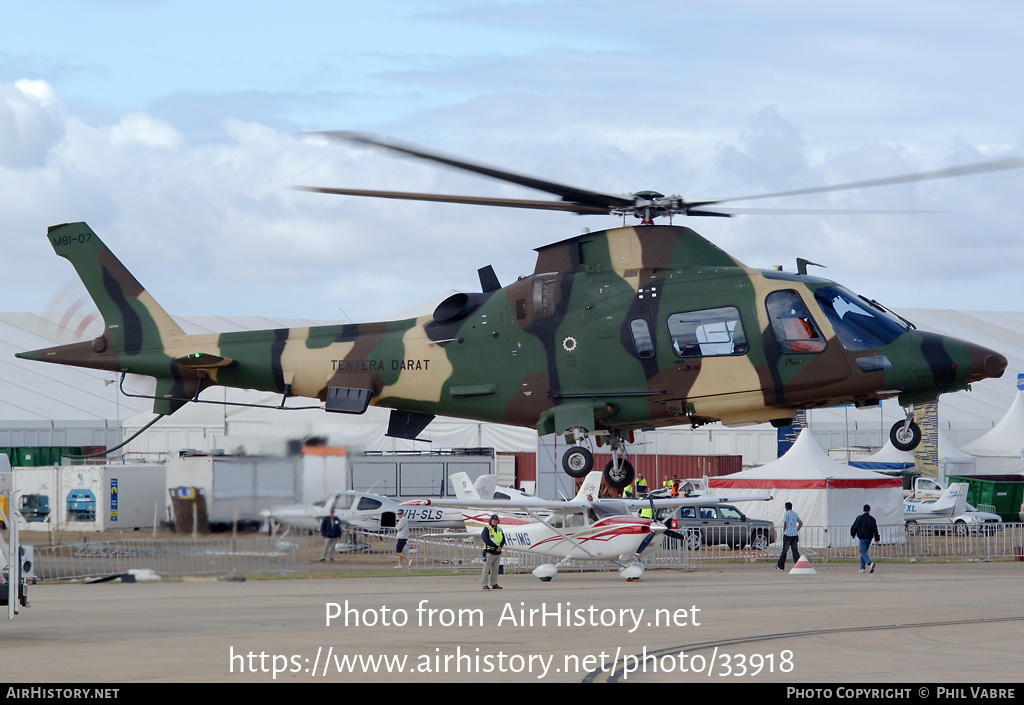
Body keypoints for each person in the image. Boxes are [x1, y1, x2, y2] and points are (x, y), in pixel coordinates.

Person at [850, 504, 880, 573]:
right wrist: (877, 538)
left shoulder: (859, 518)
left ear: (863, 510)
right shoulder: (872, 519)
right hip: (869, 538)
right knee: (863, 553)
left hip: (862, 537)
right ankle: (862, 568)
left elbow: (854, 526)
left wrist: (853, 534)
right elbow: (875, 529)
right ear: (869, 510)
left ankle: (870, 563)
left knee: (862, 552)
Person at [481, 514, 505, 590]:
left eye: (496, 520)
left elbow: (503, 539)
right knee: (486, 568)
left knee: (495, 569)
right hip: (489, 552)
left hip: (497, 552)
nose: (495, 521)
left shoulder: (499, 530)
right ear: (490, 521)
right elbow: (486, 540)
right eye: (494, 520)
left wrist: (500, 546)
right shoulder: (487, 529)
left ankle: (494, 583)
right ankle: (484, 584)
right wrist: (496, 547)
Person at [777, 502, 803, 571]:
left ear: (786, 508)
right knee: (795, 551)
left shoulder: (786, 513)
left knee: (784, 551)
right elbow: (801, 523)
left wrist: (784, 530)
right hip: (794, 534)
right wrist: (797, 529)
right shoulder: (795, 514)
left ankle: (781, 566)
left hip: (787, 534)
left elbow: (785, 523)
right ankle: (799, 565)